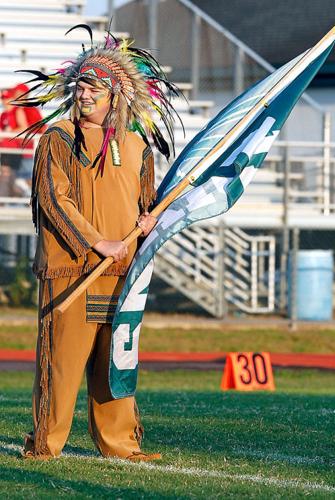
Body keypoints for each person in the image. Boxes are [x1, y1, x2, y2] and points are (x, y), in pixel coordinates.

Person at [17, 25, 179, 461]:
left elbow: (147, 204)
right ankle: (45, 446)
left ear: (116, 96)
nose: (83, 94)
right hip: (71, 271)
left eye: (94, 87)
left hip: (121, 275)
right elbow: (54, 198)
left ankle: (121, 445)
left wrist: (149, 220)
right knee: (62, 367)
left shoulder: (137, 144)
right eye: (80, 85)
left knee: (115, 367)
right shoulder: (59, 137)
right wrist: (97, 242)